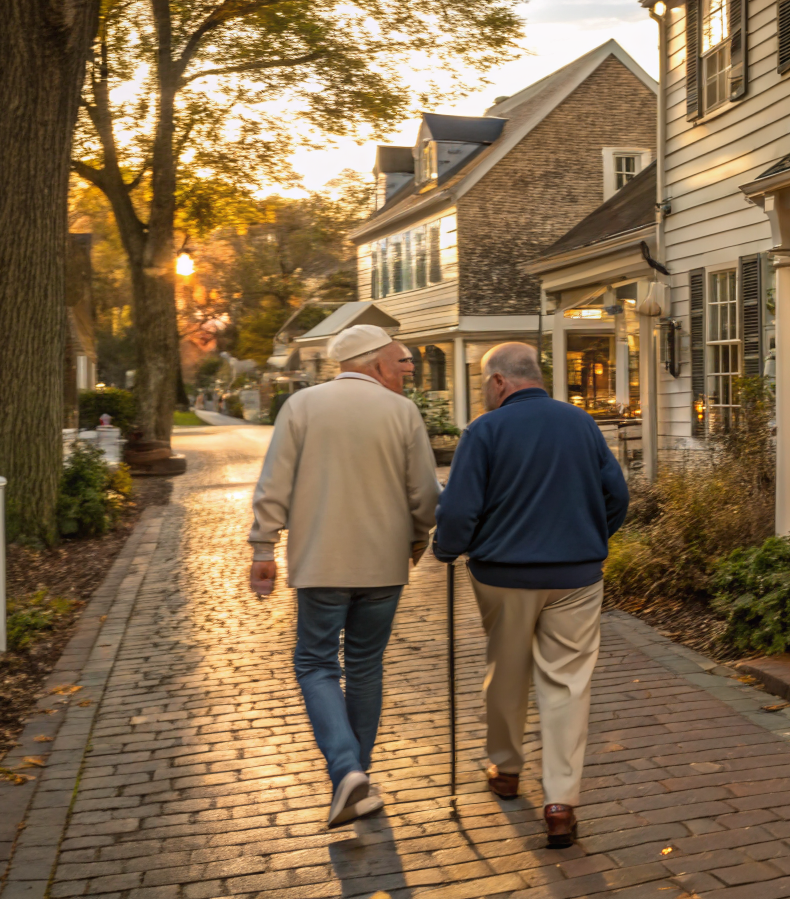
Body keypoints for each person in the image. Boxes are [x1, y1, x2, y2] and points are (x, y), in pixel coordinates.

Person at [433, 341, 628, 848]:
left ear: (499, 381)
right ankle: (561, 802)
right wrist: (590, 537)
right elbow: (618, 495)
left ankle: (506, 769)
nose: (484, 391)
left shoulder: (485, 430)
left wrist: (448, 548)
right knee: (568, 684)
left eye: (483, 383)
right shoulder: (582, 423)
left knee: (507, 667)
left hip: (503, 575)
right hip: (576, 578)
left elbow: (457, 510)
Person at [248, 324, 439, 830]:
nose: (405, 373)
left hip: (320, 563)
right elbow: (424, 493)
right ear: (375, 363)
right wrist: (417, 536)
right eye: (399, 364)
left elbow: (275, 482)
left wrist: (264, 545)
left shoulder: (302, 407)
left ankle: (347, 771)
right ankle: (357, 776)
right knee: (365, 666)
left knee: (315, 664)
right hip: (383, 564)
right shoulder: (402, 413)